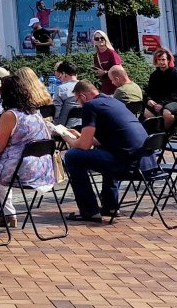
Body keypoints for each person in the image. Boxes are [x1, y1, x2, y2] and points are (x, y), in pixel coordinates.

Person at [61, 79, 148, 221]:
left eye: (77, 99)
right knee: (106, 149)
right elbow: (109, 138)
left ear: (83, 96)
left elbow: (84, 146)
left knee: (72, 156)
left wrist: (68, 138)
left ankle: (89, 211)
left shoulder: (90, 105)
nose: (78, 103)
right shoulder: (114, 101)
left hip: (128, 164)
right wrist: (81, 137)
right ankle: (110, 206)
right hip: (144, 161)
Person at [0, 68, 59, 219]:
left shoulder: (9, 115)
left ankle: (7, 214)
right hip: (44, 168)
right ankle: (5, 214)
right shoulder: (35, 112)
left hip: (22, 169)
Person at [142, 49, 177, 129]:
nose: (161, 62)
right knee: (145, 111)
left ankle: (166, 133)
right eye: (159, 60)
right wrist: (149, 99)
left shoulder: (176, 74)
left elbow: (176, 93)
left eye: (163, 59)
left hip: (175, 102)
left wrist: (162, 104)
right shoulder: (154, 75)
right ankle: (157, 130)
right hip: (158, 102)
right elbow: (150, 91)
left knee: (166, 112)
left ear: (168, 60)